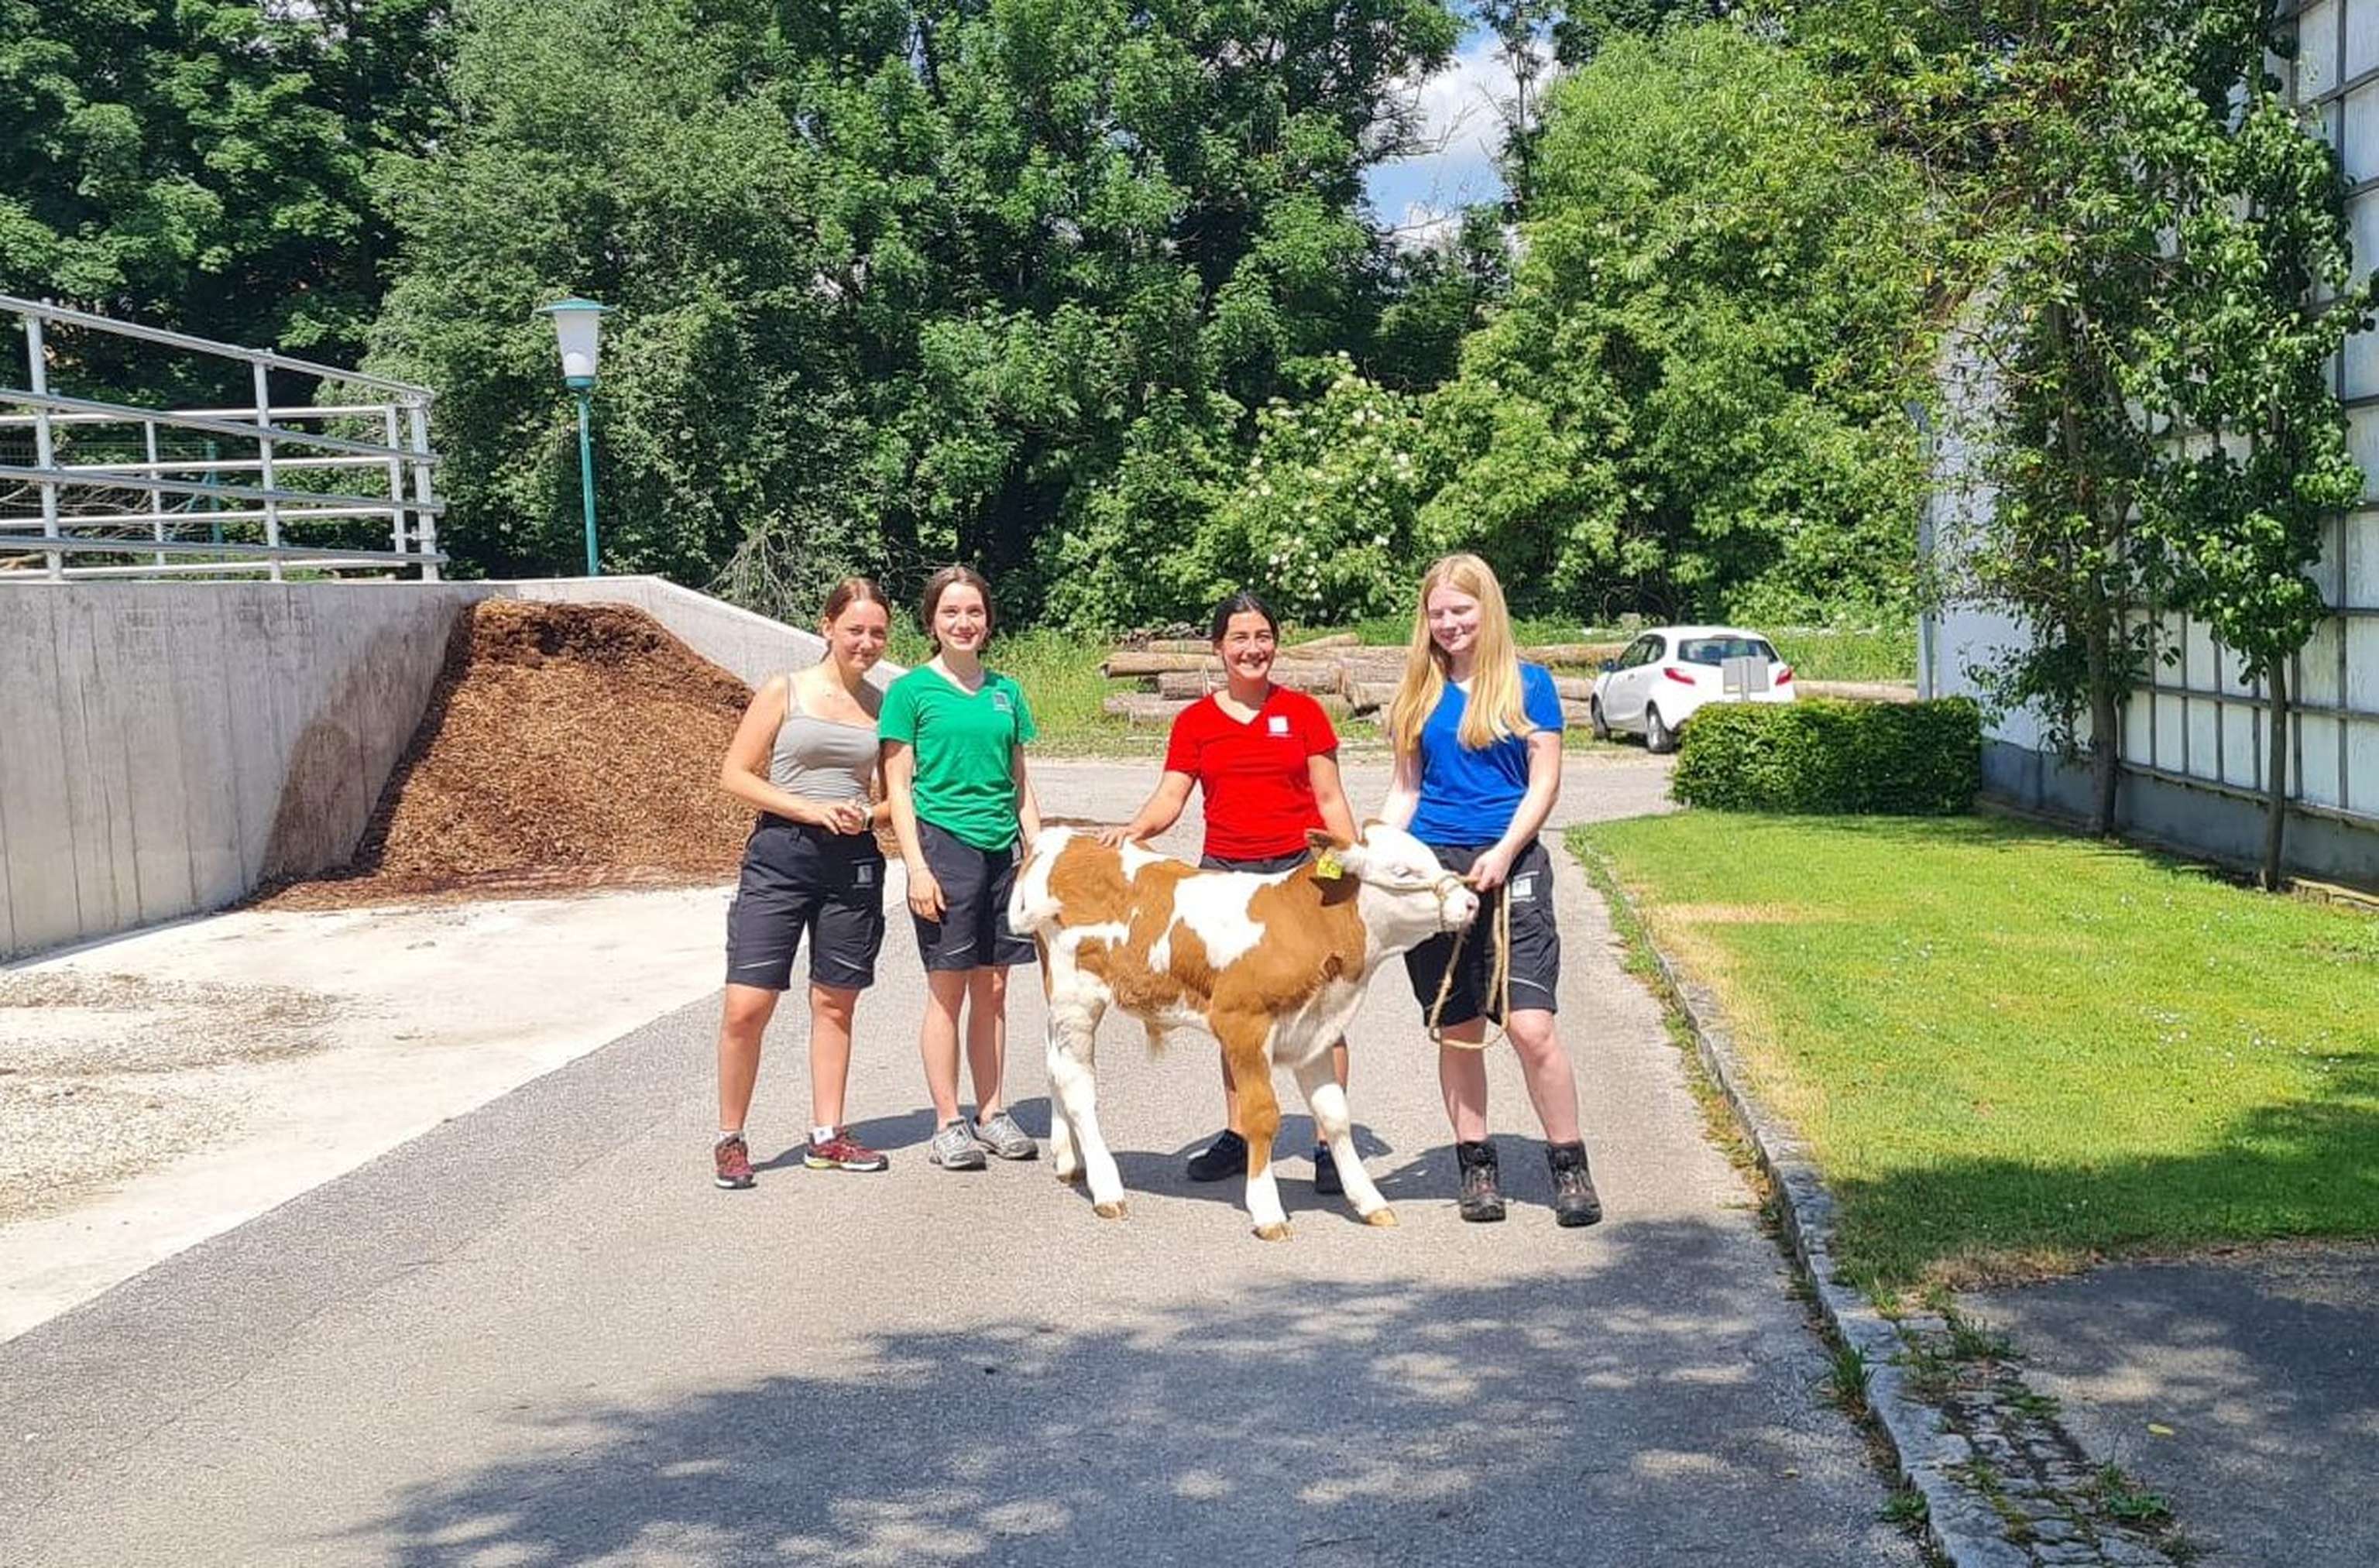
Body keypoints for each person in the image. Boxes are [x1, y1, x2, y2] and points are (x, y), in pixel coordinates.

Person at [1100, 591, 1361, 1192]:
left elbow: (1329, 800)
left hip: (1298, 877)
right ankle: (1240, 1132)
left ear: (1276, 642)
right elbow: (1172, 797)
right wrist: (1134, 829)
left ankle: (1329, 1142)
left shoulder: (1304, 714)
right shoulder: (1196, 721)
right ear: (1219, 648)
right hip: (1224, 878)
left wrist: (1347, 866)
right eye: (1239, 638)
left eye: (1263, 636)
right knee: (1236, 1016)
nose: (1253, 649)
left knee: (1321, 1012)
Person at [1379, 553, 1603, 1227]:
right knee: (1458, 1026)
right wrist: (1377, 849)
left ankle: (1569, 1162)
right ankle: (1476, 1165)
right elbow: (1406, 790)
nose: (1449, 624)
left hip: (1513, 861)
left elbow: (1543, 783)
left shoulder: (1529, 686)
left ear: (1488, 610)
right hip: (1437, 870)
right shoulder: (1417, 692)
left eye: (1461, 610)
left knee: (1533, 1028)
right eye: (1437, 612)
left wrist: (1506, 851)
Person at [711, 577, 898, 1189]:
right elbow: (735, 775)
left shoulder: (884, 706)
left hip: (853, 861)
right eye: (855, 630)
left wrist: (865, 815)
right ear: (827, 627)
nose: (866, 642)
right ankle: (731, 1137)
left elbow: (903, 798)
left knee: (835, 1001)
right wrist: (806, 808)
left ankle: (828, 1134)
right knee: (748, 1004)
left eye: (877, 632)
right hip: (780, 854)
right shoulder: (783, 690)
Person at [881, 565, 1045, 1170]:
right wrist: (916, 869)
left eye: (973, 612)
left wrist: (1037, 849)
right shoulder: (911, 692)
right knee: (947, 990)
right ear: (931, 622)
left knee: (994, 989)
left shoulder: (1007, 690)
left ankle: (993, 1110)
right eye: (951, 612)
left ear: (988, 619)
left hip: (1002, 850)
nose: (963, 622)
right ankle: (948, 1120)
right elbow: (898, 788)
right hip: (944, 846)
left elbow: (1020, 780)